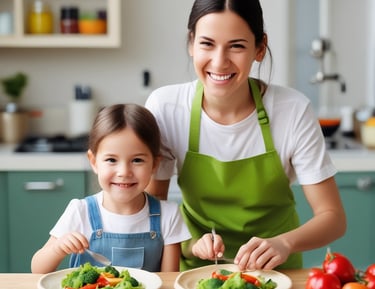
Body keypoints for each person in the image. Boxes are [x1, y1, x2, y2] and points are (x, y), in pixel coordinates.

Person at [145, 0, 346, 271]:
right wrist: (191, 243)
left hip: (276, 272)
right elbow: (150, 211)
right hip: (197, 271)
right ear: (191, 43)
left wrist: (284, 243)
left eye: (236, 46)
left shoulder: (293, 111)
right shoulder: (166, 108)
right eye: (207, 44)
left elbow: (333, 218)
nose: (219, 61)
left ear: (260, 48)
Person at [31, 104, 191, 273]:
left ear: (154, 164)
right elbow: (37, 270)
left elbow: (169, 280)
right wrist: (58, 249)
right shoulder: (80, 211)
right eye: (111, 160)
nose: (124, 172)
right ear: (93, 162)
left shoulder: (169, 216)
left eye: (137, 160)